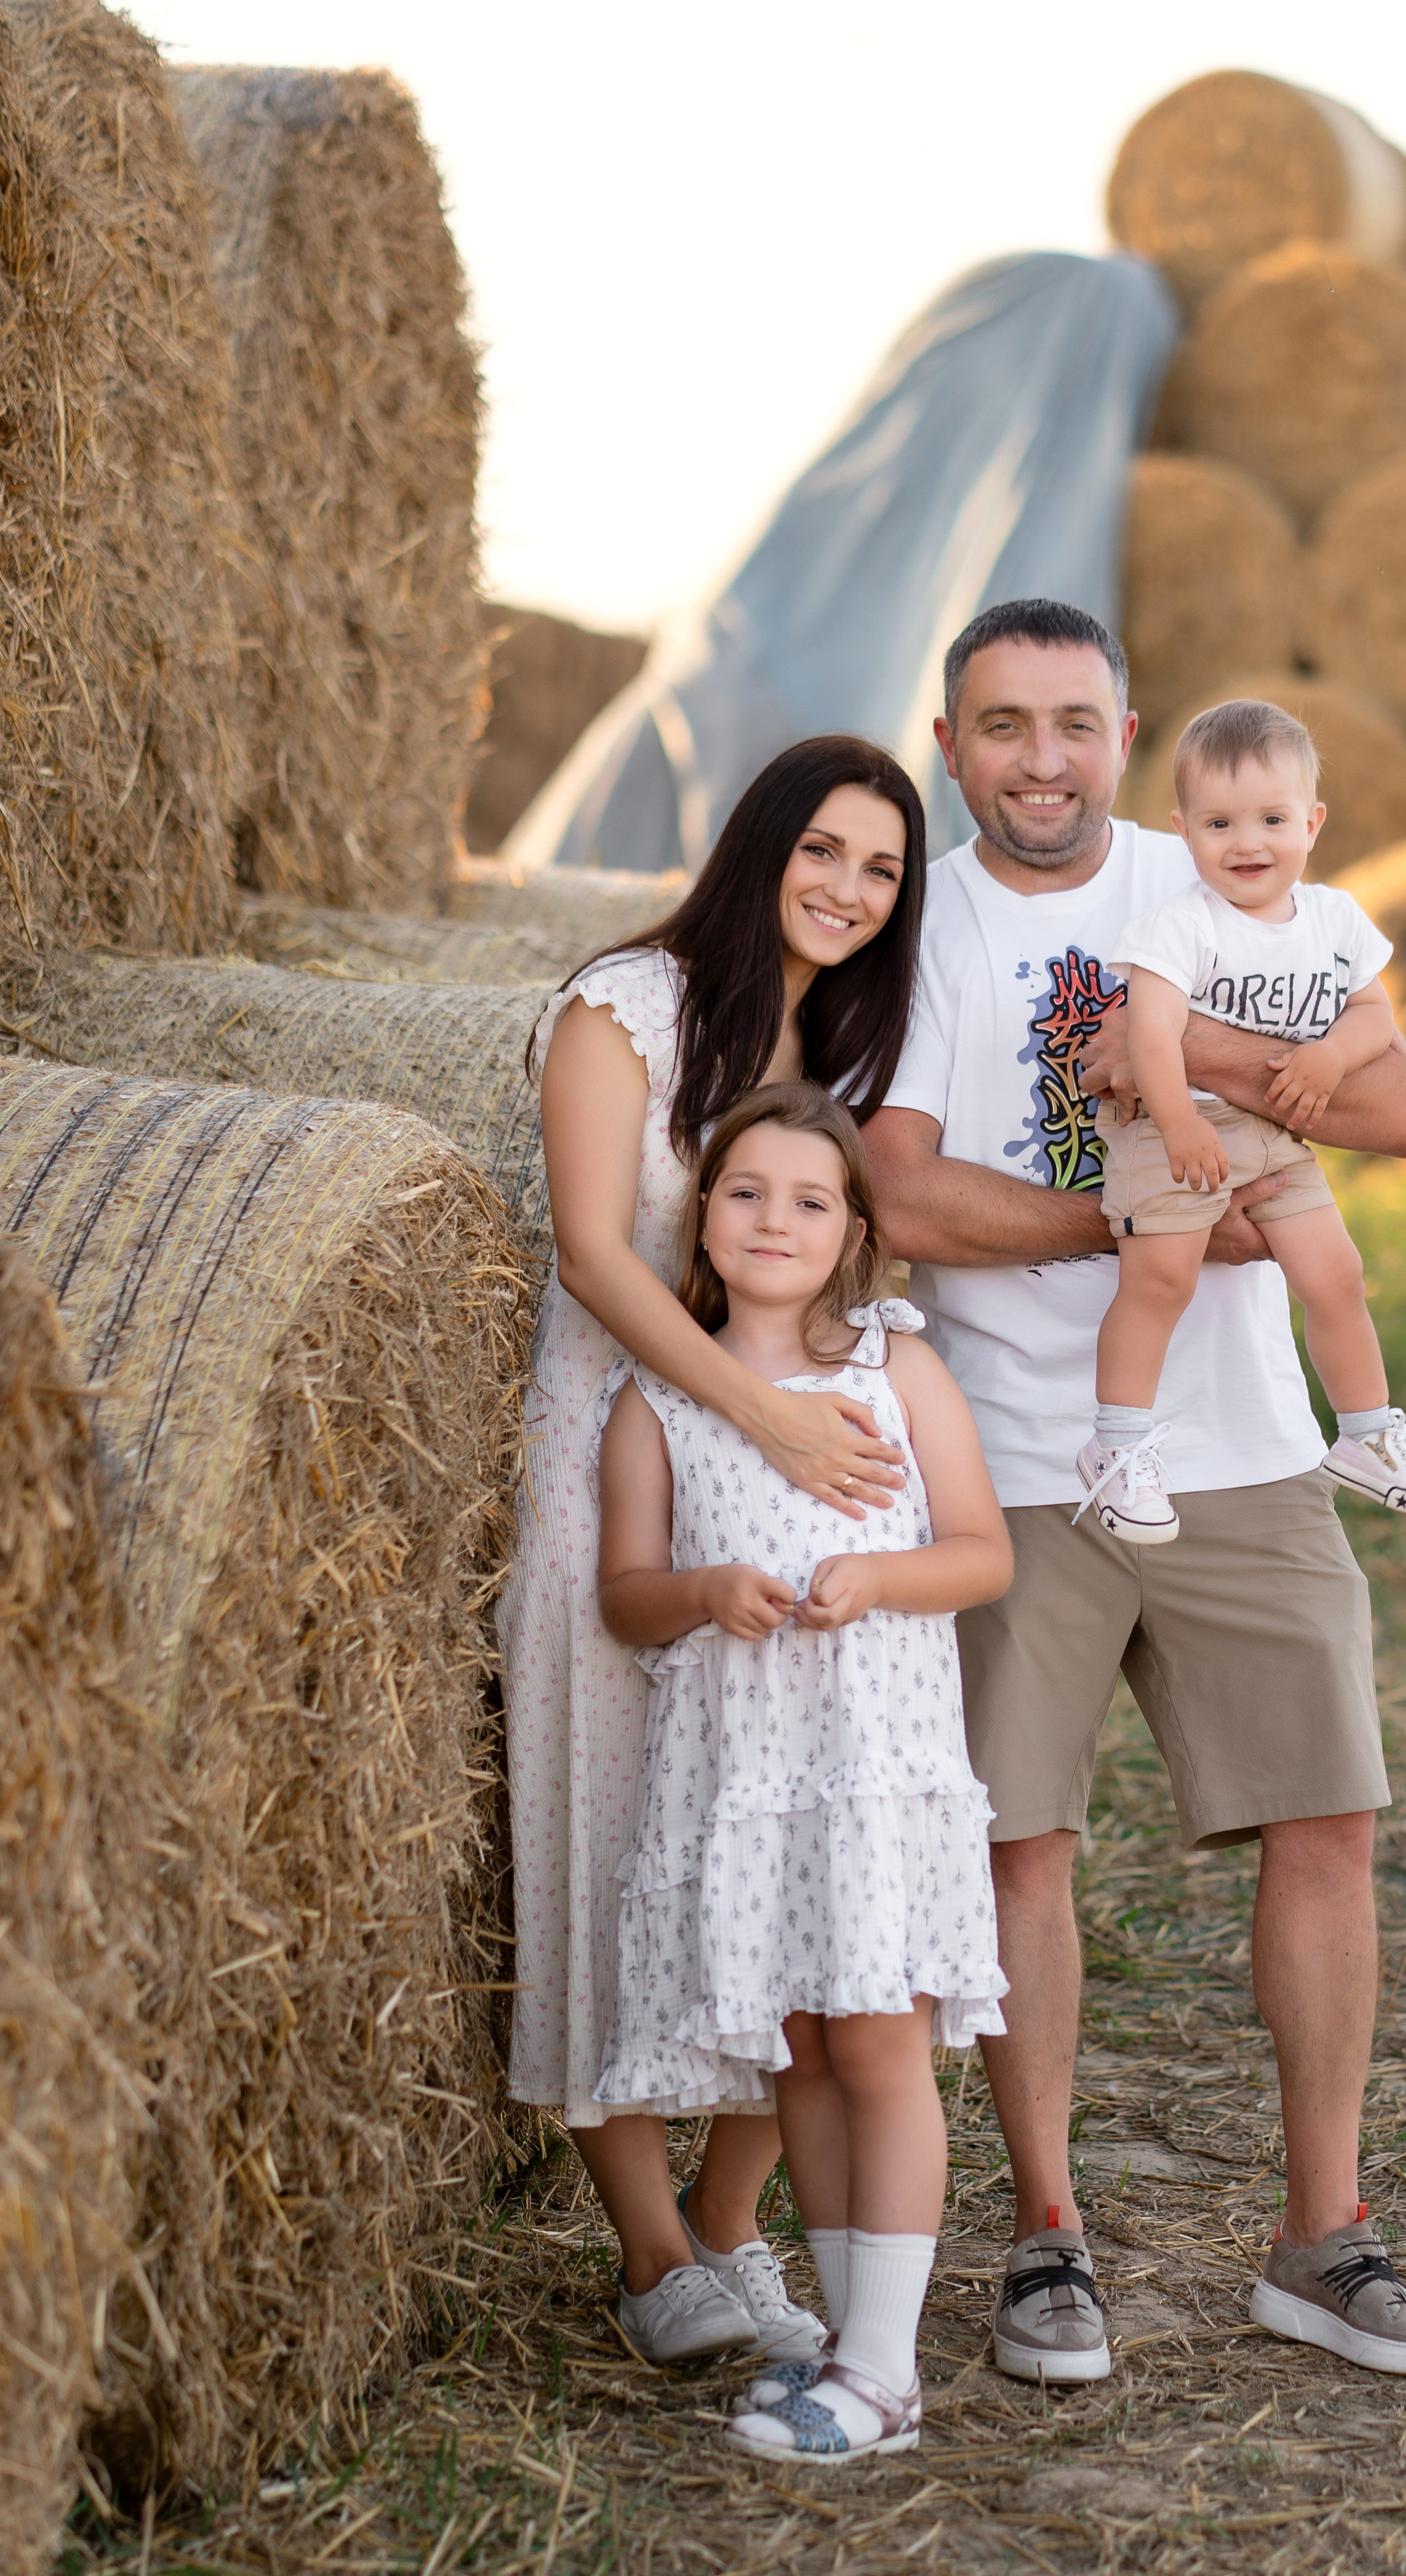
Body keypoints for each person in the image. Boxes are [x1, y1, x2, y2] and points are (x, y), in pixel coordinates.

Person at [865, 598, 1406, 2381]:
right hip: (1013, 1448)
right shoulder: (920, 928)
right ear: (948, 745)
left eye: (1072, 721)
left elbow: (1399, 1105)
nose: (1039, 758)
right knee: (1018, 1843)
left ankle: (1322, 2238)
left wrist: (1190, 1067)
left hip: (1247, 1444)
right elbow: (901, 1195)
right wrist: (1143, 1217)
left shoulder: (1213, 870)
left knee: (1325, 1819)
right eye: (1000, 725)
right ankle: (1045, 2240)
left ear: (1125, 736)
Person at [500, 736, 927, 2368]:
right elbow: (593, 1254)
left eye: (879, 869)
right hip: (610, 1464)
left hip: (780, 1493)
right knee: (609, 1832)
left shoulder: (835, 1052)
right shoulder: (627, 1006)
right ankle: (647, 2251)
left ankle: (733, 2222)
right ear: (760, 845)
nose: (846, 887)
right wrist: (761, 1413)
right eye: (821, 849)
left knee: (778, 1834)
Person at [593, 1084, 1012, 2464]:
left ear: (854, 1237)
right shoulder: (659, 1399)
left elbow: (981, 1554)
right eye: (746, 1192)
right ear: (702, 1219)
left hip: (872, 1769)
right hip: (749, 1784)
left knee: (878, 2041)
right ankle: (851, 2356)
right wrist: (705, 1591)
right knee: (808, 2058)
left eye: (810, 1200)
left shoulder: (894, 1369)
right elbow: (625, 1597)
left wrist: (876, 1579)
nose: (775, 1220)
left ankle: (884, 2371)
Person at [1078, 694, 1406, 1550]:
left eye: (1271, 819)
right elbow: (1149, 1036)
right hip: (1173, 1129)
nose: (1248, 843)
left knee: (1335, 1275)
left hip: (1271, 1136)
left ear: (1312, 823)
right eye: (1219, 823)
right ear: (1183, 831)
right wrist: (1179, 1126)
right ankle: (1115, 1444)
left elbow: (1374, 1013)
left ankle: (1366, 1432)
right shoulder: (1176, 927)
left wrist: (1330, 1059)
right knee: (1160, 1280)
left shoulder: (1334, 920)